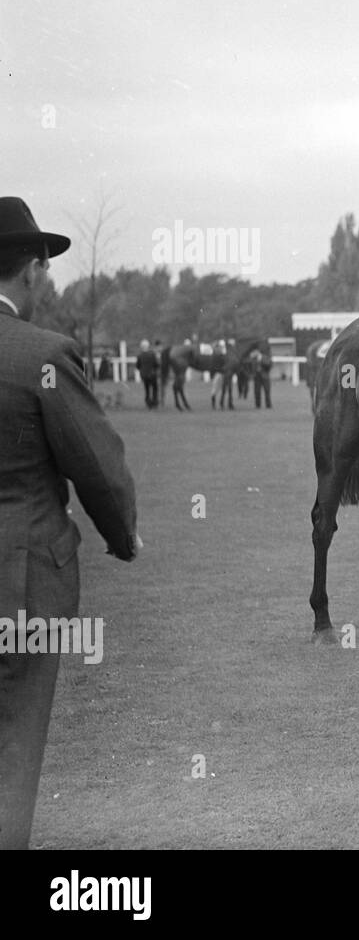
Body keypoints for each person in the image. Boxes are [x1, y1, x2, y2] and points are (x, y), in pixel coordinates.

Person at [0, 197, 138, 849]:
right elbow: (98, 466)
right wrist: (121, 534)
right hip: (19, 582)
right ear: (29, 271)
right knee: (12, 746)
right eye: (44, 270)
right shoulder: (41, 353)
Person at [136, 339, 159, 409]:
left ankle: (148, 402)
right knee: (155, 388)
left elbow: (137, 366)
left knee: (147, 389)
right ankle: (154, 402)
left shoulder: (140, 355)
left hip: (144, 375)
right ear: (148, 346)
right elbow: (156, 364)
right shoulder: (152, 354)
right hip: (152, 375)